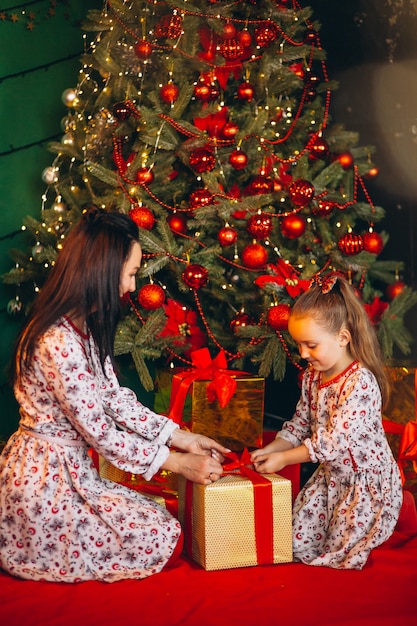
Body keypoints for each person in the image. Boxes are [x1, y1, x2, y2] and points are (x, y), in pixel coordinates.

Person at [0, 208, 229, 583]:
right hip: (45, 484)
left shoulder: (83, 328)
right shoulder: (57, 341)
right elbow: (99, 433)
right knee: (163, 541)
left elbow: (114, 399)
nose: (133, 288)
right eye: (132, 274)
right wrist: (178, 463)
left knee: (163, 528)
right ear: (102, 270)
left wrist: (182, 438)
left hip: (75, 474)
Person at [251, 274, 402, 570]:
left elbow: (331, 442)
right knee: (293, 545)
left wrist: (283, 459)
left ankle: (398, 509)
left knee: (340, 556)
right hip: (330, 479)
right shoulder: (312, 377)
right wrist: (273, 449)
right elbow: (300, 424)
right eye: (299, 345)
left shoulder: (360, 382)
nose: (303, 354)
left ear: (343, 338)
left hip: (363, 485)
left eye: (311, 345)